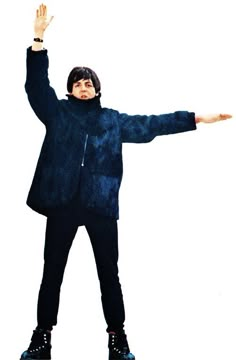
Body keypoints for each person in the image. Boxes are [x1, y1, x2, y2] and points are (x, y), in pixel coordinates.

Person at [20, 4, 232, 360]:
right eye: (77, 83)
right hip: (62, 204)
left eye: (88, 83)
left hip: (100, 205)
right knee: (52, 272)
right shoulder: (57, 113)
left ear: (97, 89)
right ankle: (42, 339)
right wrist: (38, 41)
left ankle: (118, 340)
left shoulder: (113, 121)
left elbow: (152, 124)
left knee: (109, 275)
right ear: (70, 90)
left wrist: (197, 118)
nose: (83, 86)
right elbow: (35, 87)